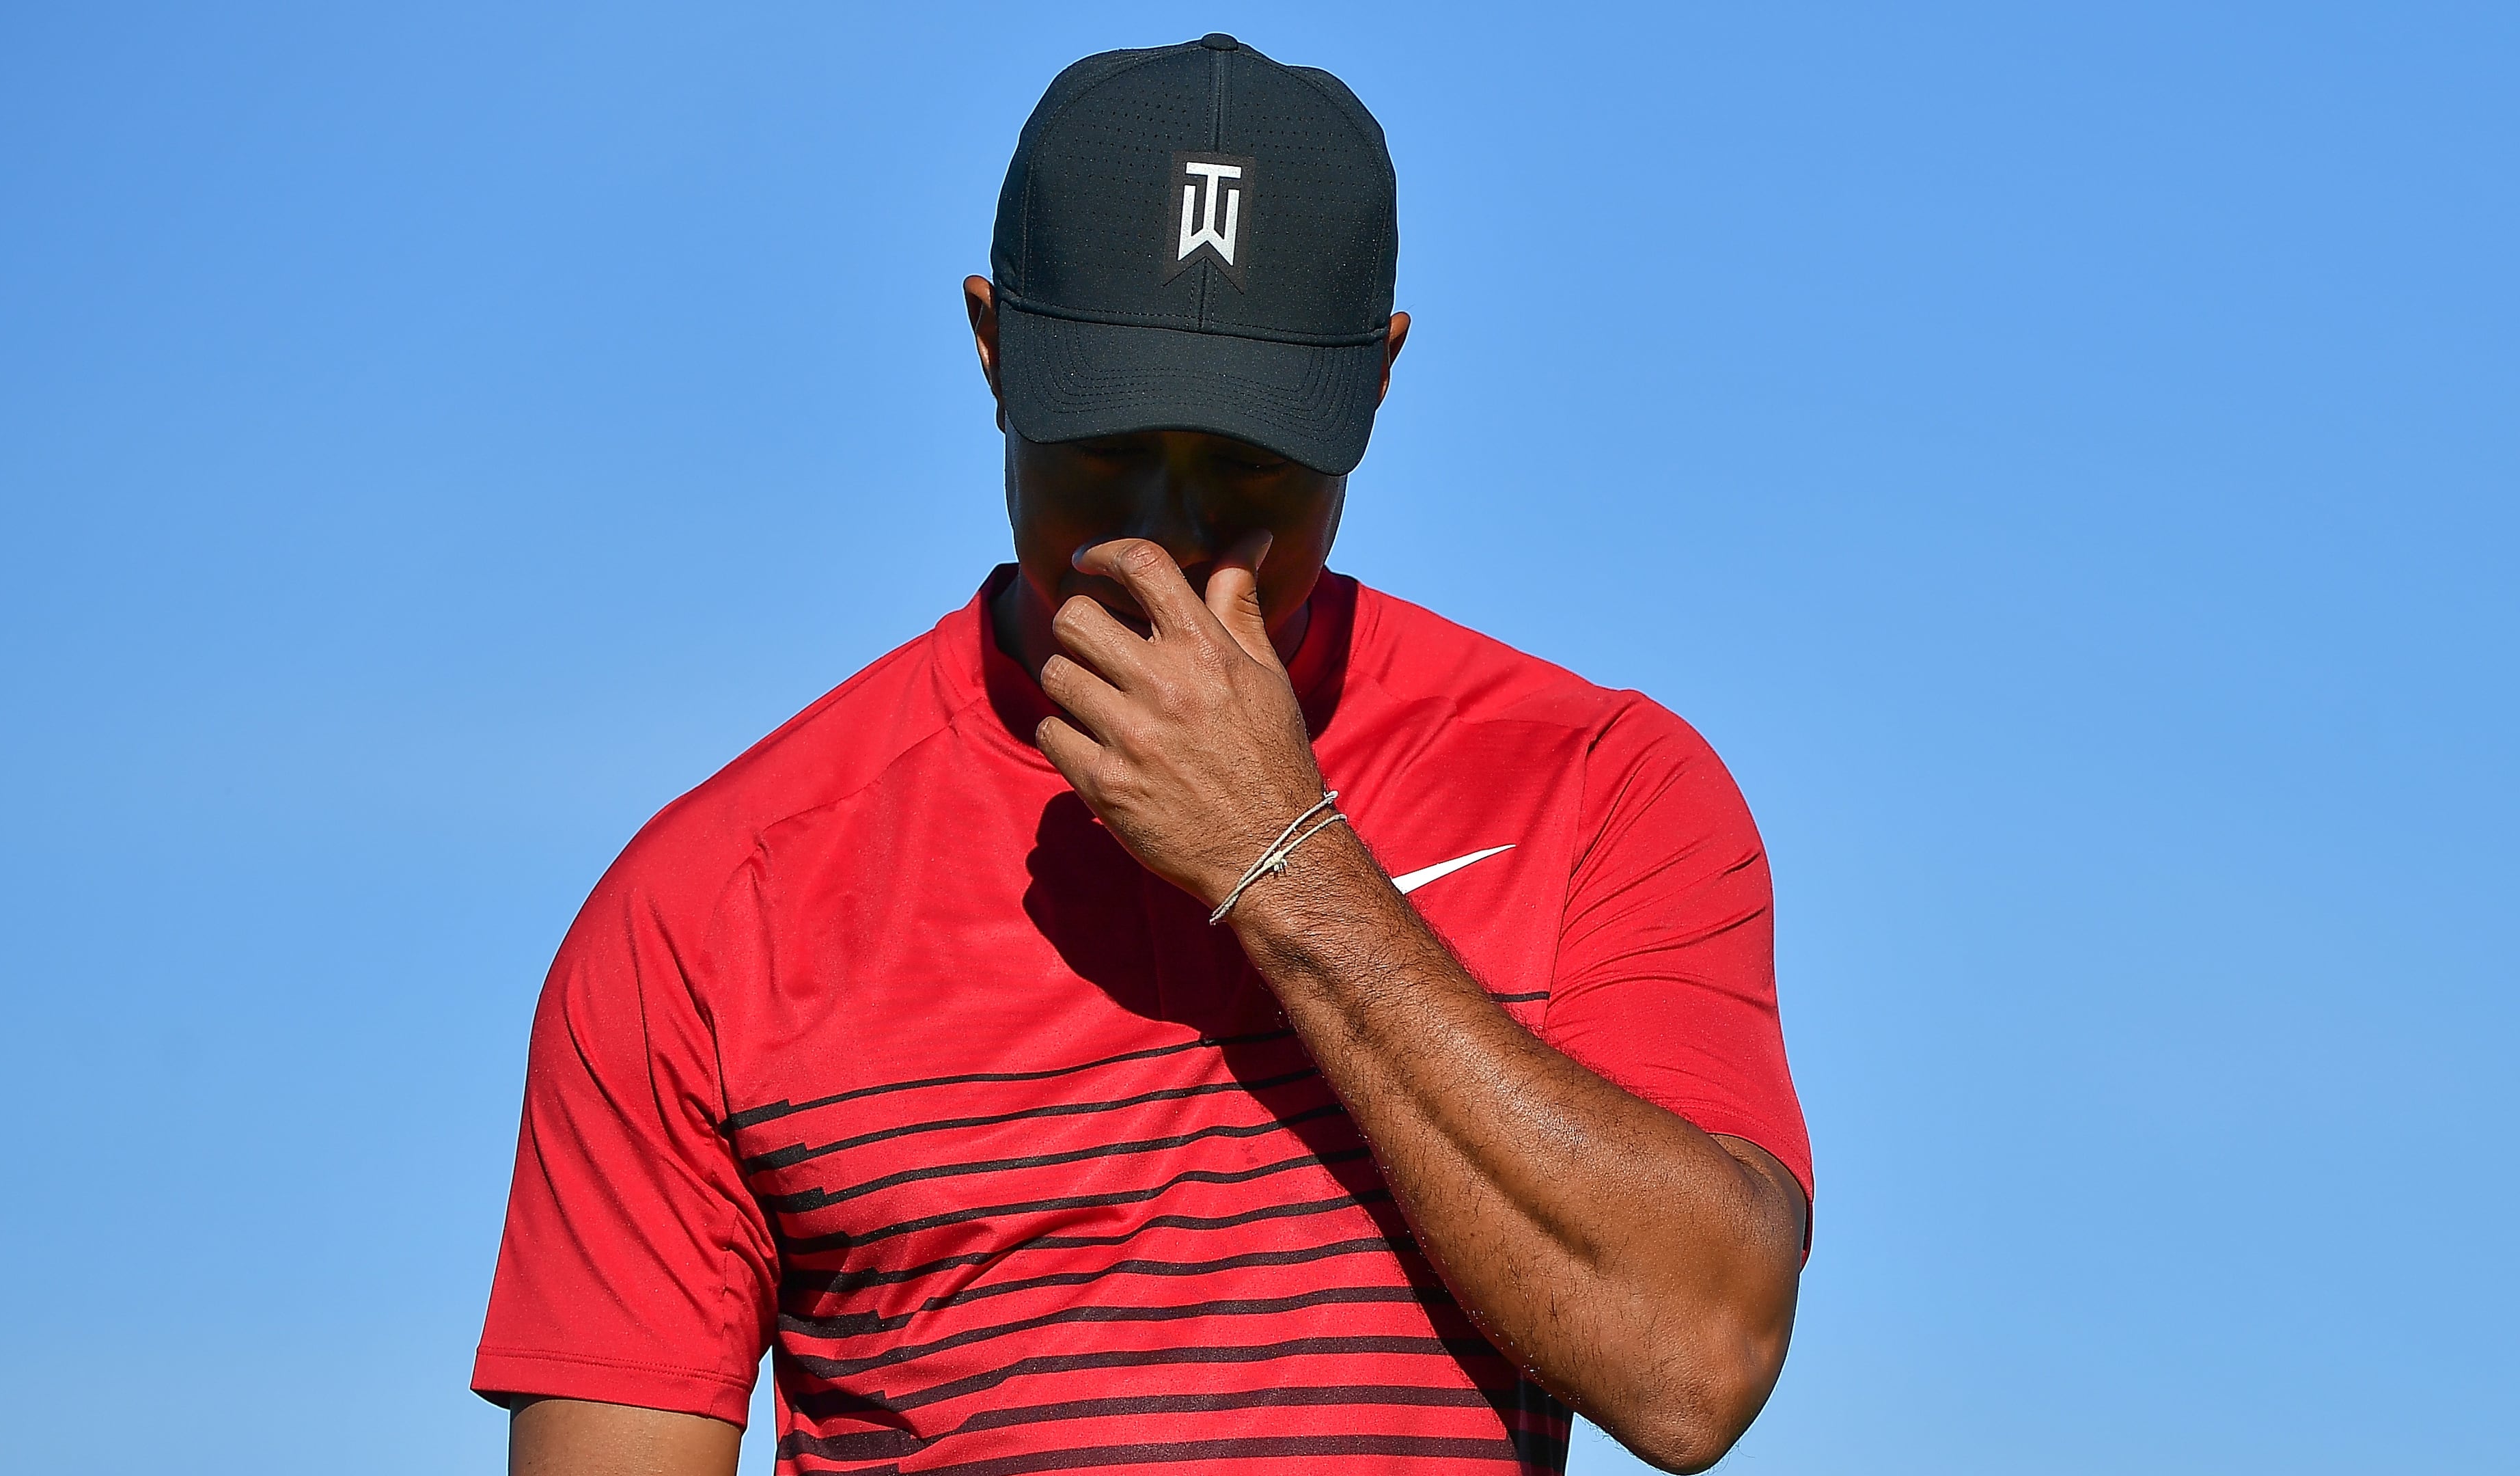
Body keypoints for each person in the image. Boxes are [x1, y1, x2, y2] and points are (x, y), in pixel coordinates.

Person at [473, 33, 1810, 1476]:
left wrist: (1282, 861)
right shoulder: (711, 906)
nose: (1167, 527)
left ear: (1375, 384)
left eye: (1250, 462)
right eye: (1104, 447)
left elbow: (1698, 1369)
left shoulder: (1601, 786)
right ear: (992, 348)